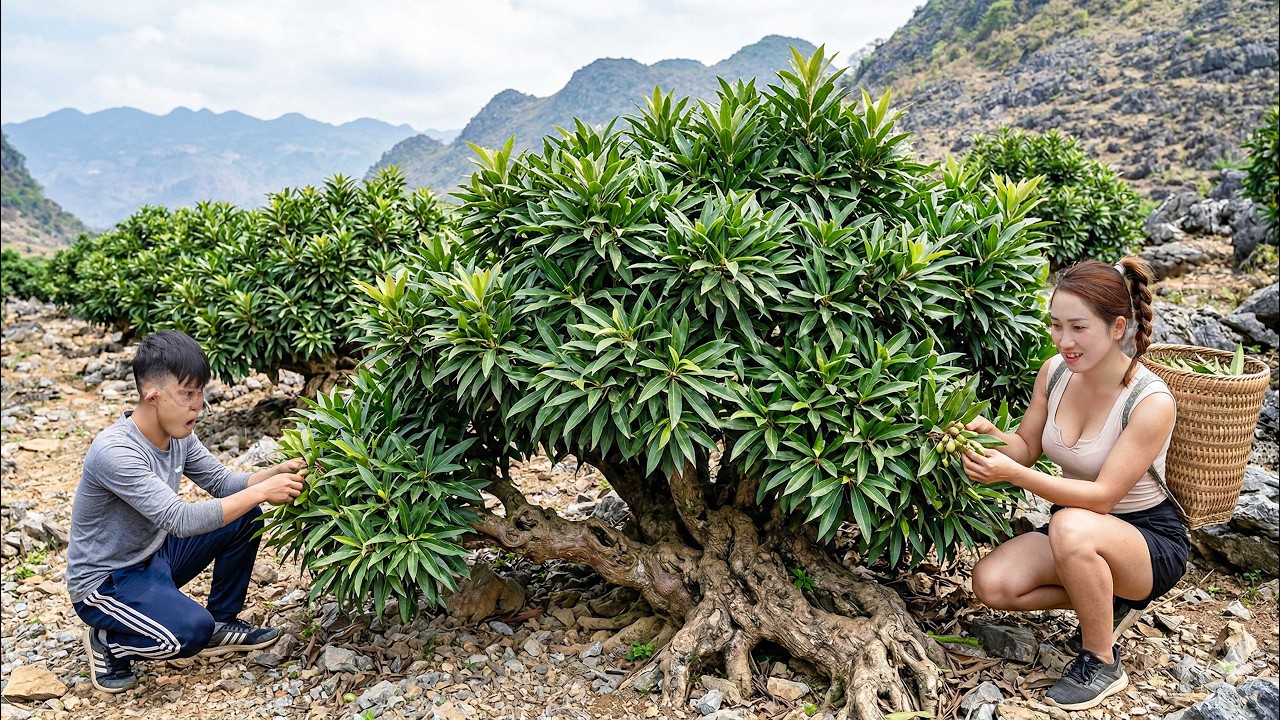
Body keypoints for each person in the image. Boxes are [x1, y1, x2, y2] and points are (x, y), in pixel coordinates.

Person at [959, 257, 1187, 711]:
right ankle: (1106, 598)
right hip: (1077, 532)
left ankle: (1102, 660)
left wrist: (1017, 476)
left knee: (1070, 527)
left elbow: (1103, 498)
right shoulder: (1055, 373)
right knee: (992, 583)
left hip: (1146, 539)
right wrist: (987, 437)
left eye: (1078, 328)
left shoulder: (1150, 400)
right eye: (1056, 325)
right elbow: (1026, 445)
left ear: (1117, 326)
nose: (1065, 341)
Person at [66, 330, 308, 693]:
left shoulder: (178, 434)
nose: (199, 405)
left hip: (154, 557)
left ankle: (223, 621)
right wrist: (261, 490)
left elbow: (223, 482)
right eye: (188, 394)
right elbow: (179, 520)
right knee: (188, 634)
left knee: (245, 514)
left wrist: (269, 475)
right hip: (107, 583)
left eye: (201, 392)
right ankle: (109, 642)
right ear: (152, 396)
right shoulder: (115, 452)